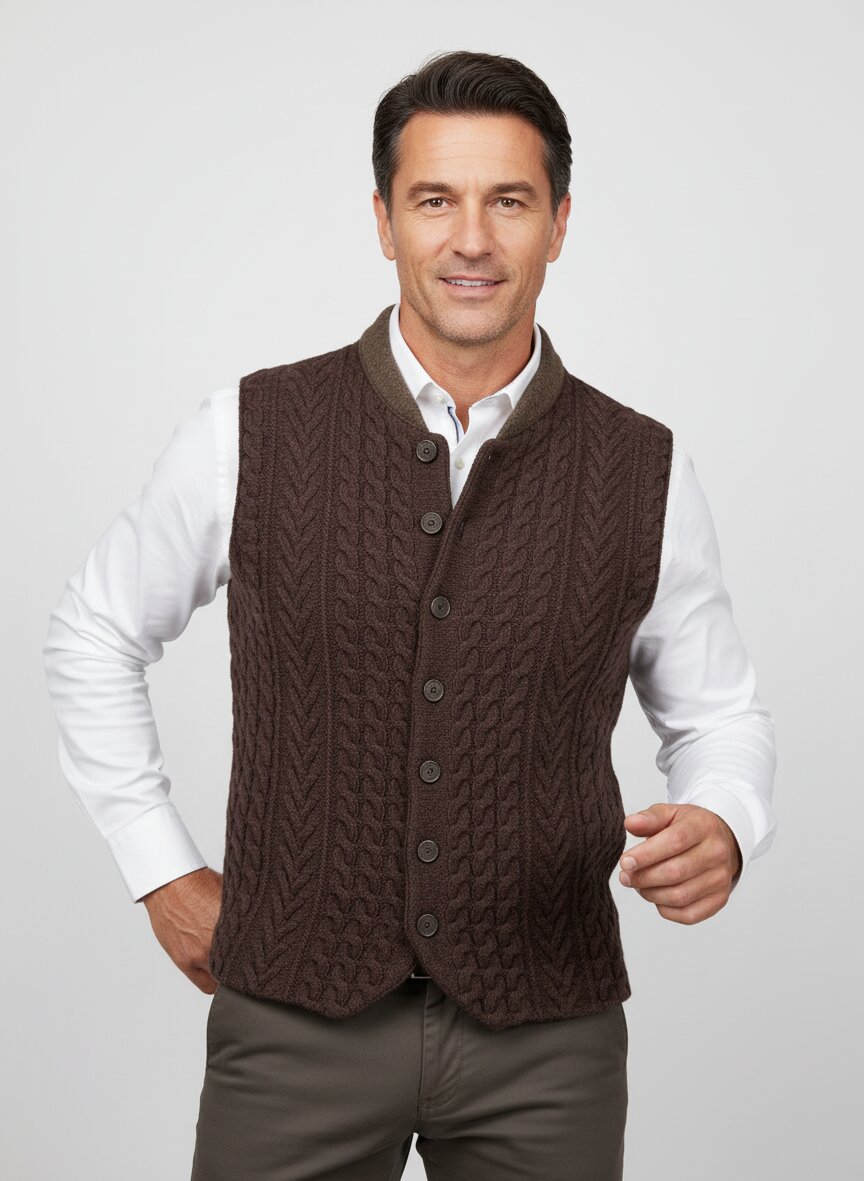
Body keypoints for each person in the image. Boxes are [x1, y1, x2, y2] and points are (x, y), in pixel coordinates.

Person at [42, 48, 777, 1181]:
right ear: (384, 221)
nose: (471, 238)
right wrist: (161, 868)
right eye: (435, 200)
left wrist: (724, 818)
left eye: (509, 201)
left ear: (560, 224)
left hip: (549, 1038)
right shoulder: (251, 430)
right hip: (293, 1025)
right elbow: (93, 633)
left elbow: (719, 713)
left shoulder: (642, 467)